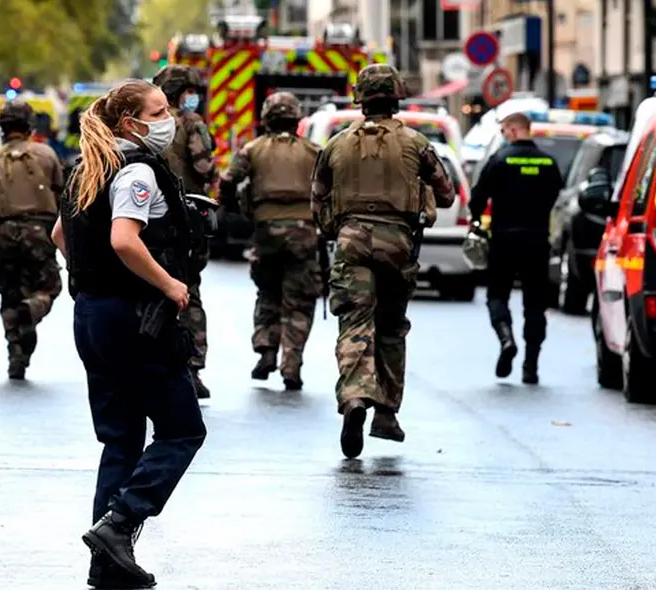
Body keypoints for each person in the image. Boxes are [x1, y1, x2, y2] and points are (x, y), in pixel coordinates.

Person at [50, 79, 207, 589]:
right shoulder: (137, 171)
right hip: (134, 319)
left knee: (120, 439)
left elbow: (60, 236)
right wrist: (170, 285)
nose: (170, 120)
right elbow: (124, 239)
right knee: (183, 429)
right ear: (128, 124)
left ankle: (106, 562)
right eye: (159, 111)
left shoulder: (85, 169)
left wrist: (96, 283)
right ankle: (119, 524)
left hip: (92, 316)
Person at [311, 64, 457, 459]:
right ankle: (387, 415)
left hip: (351, 241)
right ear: (397, 97)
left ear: (360, 99)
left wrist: (336, 228)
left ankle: (357, 397)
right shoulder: (416, 143)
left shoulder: (336, 145)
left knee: (355, 324)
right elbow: (447, 196)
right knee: (391, 327)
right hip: (398, 244)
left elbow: (318, 201)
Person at [219, 91, 320, 391]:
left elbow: (228, 181)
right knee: (299, 301)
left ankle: (266, 350)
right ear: (296, 119)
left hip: (265, 232)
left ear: (266, 119)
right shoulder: (313, 151)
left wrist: (233, 209)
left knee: (267, 293)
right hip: (304, 233)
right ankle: (291, 363)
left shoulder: (253, 149)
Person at [469, 112, 564, 385]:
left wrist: (476, 221)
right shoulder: (548, 162)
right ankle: (531, 365)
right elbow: (555, 195)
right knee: (535, 304)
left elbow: (478, 196)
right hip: (537, 241)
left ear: (512, 130)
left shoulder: (499, 160)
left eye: (503, 131)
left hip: (504, 240)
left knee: (497, 296)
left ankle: (506, 338)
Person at [0, 100, 63, 380]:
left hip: (2, 238)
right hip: (40, 234)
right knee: (49, 287)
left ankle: (16, 352)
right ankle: (34, 306)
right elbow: (62, 196)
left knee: (9, 296)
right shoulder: (46, 155)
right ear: (29, 127)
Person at [152, 64, 215, 398]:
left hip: (147, 217)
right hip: (186, 217)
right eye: (190, 92)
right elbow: (205, 166)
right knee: (188, 291)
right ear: (180, 92)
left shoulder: (147, 122)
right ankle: (191, 366)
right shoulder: (192, 125)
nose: (194, 98)